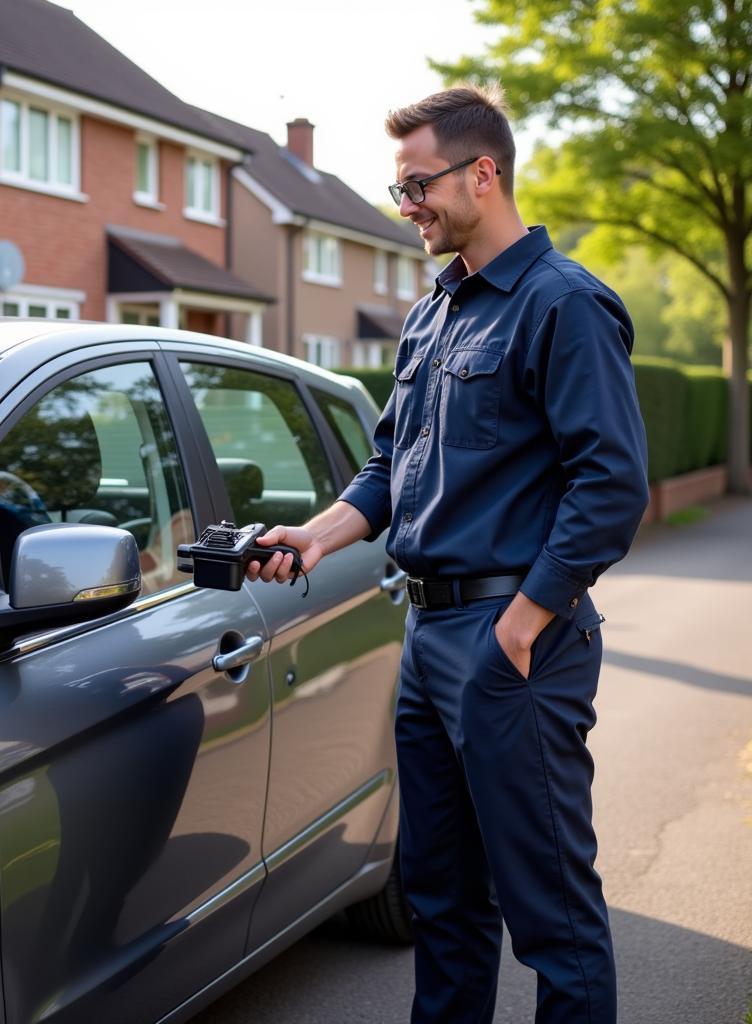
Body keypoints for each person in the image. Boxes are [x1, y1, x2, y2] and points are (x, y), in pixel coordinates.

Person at [247, 83, 649, 1024]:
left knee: (551, 915)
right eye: (399, 191)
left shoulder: (564, 306)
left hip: (514, 644)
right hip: (427, 640)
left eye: (417, 184)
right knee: (442, 901)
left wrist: (523, 621)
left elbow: (612, 485)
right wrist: (315, 535)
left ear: (483, 173)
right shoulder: (435, 313)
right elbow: (391, 465)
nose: (408, 206)